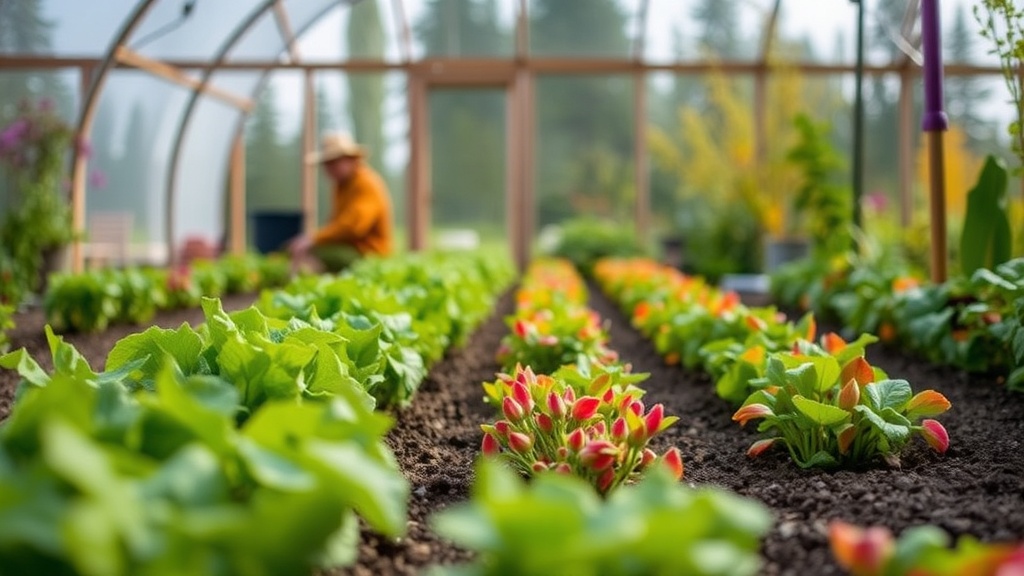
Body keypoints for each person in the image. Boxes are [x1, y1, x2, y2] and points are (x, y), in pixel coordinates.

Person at [289, 132, 393, 272]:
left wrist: (313, 239)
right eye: (327, 164)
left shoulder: (366, 184)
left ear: (351, 159)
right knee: (300, 249)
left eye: (334, 163)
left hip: (368, 254)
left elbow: (353, 226)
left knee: (314, 253)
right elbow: (336, 223)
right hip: (350, 248)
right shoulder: (341, 187)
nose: (329, 169)